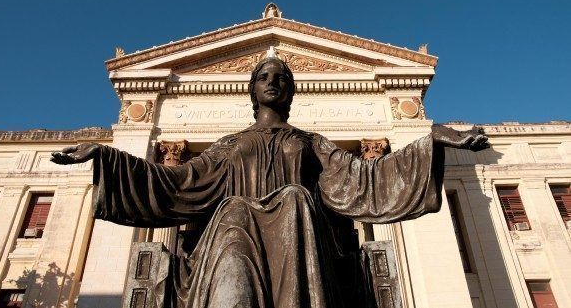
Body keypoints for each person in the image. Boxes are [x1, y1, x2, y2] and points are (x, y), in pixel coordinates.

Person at [51, 56, 488, 308]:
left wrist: (427, 143)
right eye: (264, 77)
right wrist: (106, 157)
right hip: (233, 239)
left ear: (292, 91)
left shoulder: (311, 143)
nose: (273, 82)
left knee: (296, 197)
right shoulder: (228, 145)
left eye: (281, 77)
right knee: (235, 209)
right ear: (252, 90)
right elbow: (178, 181)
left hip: (299, 243)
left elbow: (363, 179)